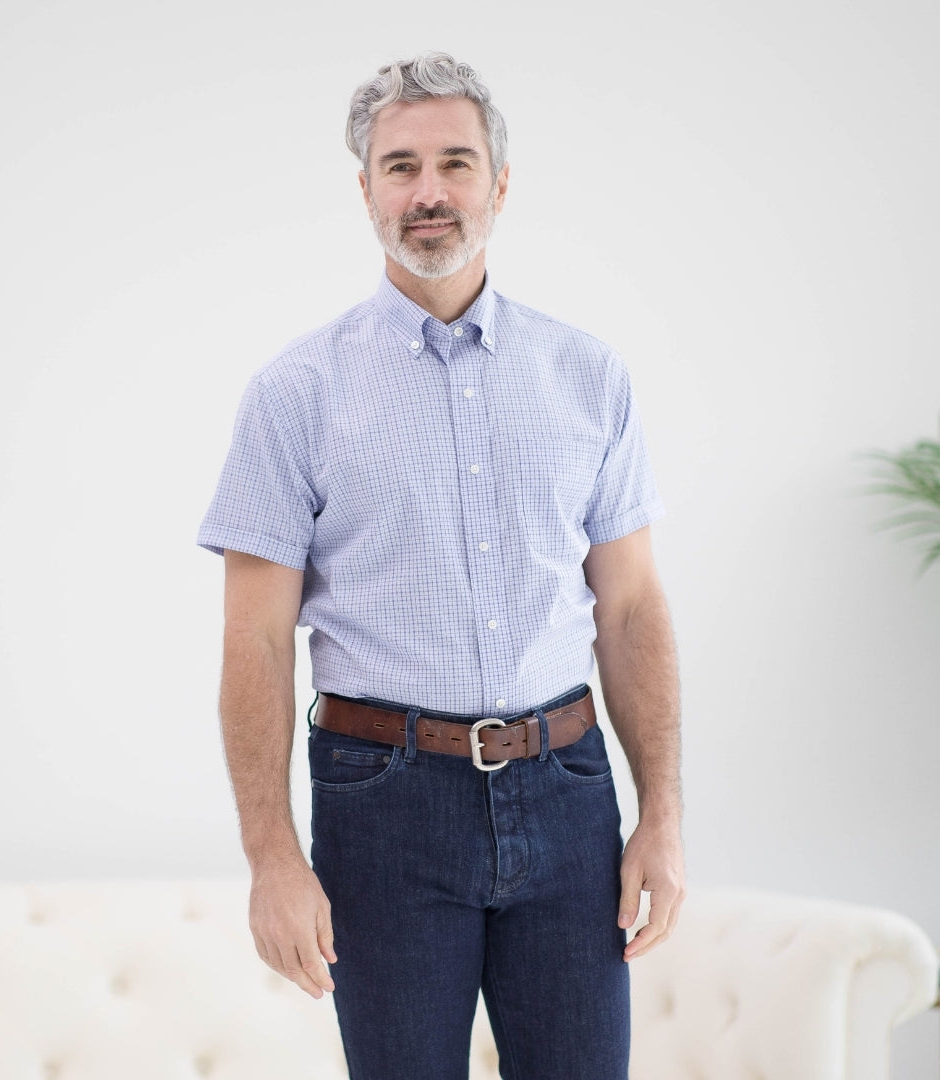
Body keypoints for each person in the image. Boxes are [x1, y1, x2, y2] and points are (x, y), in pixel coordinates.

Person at [197, 51, 684, 1080]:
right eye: (401, 165)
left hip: (569, 792)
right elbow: (252, 639)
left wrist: (664, 820)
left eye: (455, 163)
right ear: (366, 188)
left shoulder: (588, 377)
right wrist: (272, 858)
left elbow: (632, 609)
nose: (428, 191)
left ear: (499, 185)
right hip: (384, 805)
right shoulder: (296, 395)